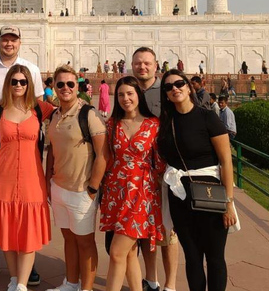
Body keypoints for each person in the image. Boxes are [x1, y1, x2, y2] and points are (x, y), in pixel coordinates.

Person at [157, 70, 238, 291]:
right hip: (180, 195)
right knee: (192, 257)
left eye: (179, 83)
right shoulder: (165, 122)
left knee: (214, 257)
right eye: (168, 87)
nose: (175, 88)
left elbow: (226, 161)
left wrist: (228, 203)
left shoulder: (207, 116)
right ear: (165, 94)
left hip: (210, 193)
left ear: (189, 86)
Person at [0, 26, 43, 285]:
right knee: (4, 220)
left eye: (13, 39)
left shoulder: (33, 72)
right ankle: (3, 267)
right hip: (3, 165)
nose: (18, 84)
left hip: (30, 169)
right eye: (5, 39)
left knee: (26, 222)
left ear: (20, 42)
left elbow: (62, 112)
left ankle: (23, 278)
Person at [45, 65, 107, 291]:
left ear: (77, 86)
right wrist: (47, 181)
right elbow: (51, 149)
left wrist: (93, 188)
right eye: (60, 84)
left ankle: (87, 288)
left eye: (70, 84)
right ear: (54, 86)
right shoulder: (55, 114)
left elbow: (103, 154)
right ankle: (71, 284)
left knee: (85, 242)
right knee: (69, 239)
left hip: (82, 190)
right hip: (60, 187)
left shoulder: (88, 113)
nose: (65, 88)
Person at [100, 76, 165, 291]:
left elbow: (161, 163)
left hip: (142, 194)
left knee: (117, 252)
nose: (125, 99)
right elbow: (106, 158)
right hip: (116, 192)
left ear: (139, 95)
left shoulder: (153, 124)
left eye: (130, 93)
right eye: (120, 95)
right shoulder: (112, 124)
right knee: (127, 253)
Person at [130, 47, 178, 291]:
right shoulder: (130, 91)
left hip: (166, 170)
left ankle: (170, 285)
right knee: (145, 230)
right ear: (131, 65)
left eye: (147, 63)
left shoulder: (168, 91)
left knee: (168, 231)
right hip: (139, 173)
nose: (142, 67)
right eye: (138, 63)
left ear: (156, 65)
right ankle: (151, 280)